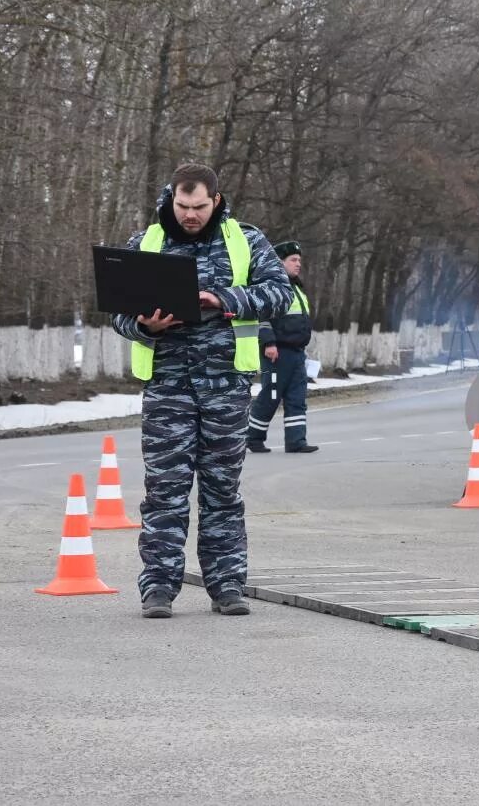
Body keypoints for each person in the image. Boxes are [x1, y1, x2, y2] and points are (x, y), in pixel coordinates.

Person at [111, 163, 293, 619]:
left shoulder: (245, 240)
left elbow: (280, 293)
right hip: (167, 387)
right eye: (182, 205)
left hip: (225, 387)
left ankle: (227, 585)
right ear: (171, 198)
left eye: (198, 207)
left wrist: (225, 299)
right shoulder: (145, 243)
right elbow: (116, 311)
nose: (190, 215)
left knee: (222, 492)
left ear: (216, 199)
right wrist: (143, 325)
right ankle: (158, 588)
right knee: (165, 492)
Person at [247, 241, 318, 454]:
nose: (298, 264)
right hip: (277, 354)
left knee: (297, 397)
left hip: (296, 355)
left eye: (299, 260)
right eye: (293, 260)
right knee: (271, 394)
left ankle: (296, 442)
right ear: (280, 262)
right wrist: (268, 343)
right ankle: (253, 437)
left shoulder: (296, 288)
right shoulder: (272, 287)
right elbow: (261, 317)